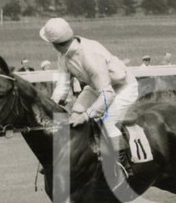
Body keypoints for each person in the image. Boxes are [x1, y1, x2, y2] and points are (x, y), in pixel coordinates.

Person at [40, 17, 140, 193]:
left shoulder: (89, 56)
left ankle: (122, 168)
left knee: (107, 121)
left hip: (123, 88)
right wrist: (49, 108)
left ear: (54, 43)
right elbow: (62, 86)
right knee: (73, 116)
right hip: (97, 88)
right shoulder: (63, 55)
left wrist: (87, 115)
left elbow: (107, 95)